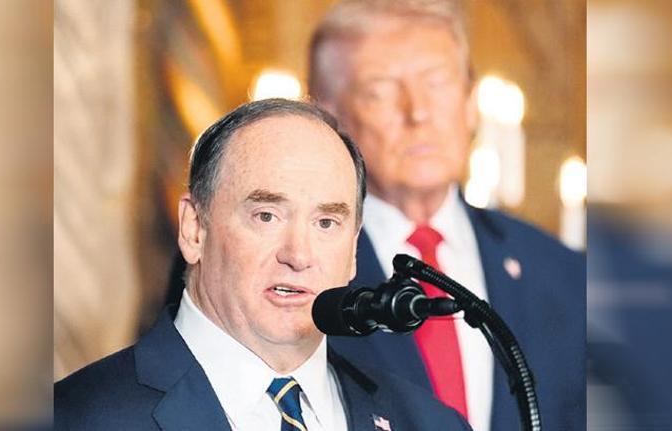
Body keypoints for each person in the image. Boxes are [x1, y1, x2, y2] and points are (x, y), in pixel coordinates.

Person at [54, 98, 473, 431]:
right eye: (266, 216)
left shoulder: (430, 423)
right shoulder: (75, 418)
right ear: (194, 229)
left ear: (353, 250)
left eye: (326, 223)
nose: (299, 255)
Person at [308, 1, 585, 430]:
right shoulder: (302, 273)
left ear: (470, 101)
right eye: (380, 91)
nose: (418, 112)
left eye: (436, 83)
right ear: (330, 119)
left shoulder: (559, 271)